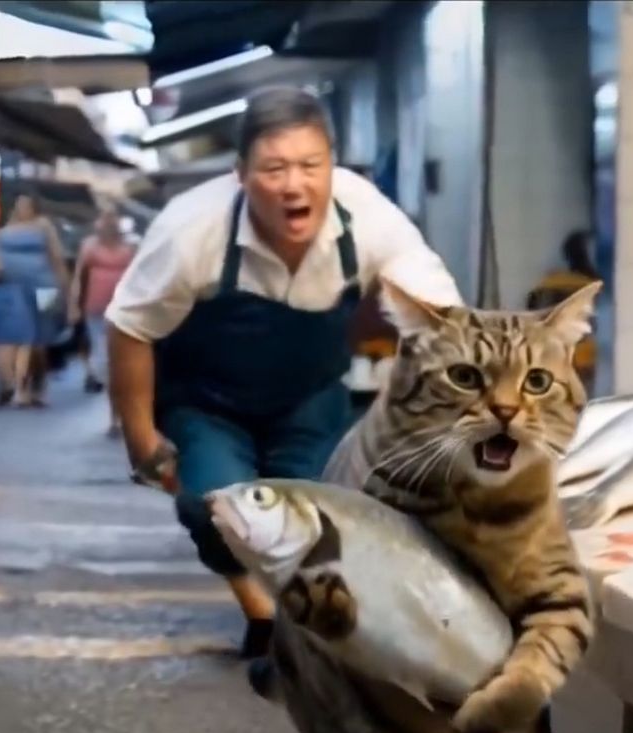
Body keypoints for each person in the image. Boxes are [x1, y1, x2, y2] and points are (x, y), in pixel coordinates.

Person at [106, 86, 462, 659]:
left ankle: (311, 623)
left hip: (309, 394)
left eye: (309, 166)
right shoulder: (190, 230)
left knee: (322, 515)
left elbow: (442, 318)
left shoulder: (367, 216)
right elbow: (130, 327)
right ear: (241, 173)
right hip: (206, 398)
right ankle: (261, 611)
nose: (294, 184)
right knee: (212, 505)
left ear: (332, 166)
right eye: (274, 168)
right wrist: (140, 439)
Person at [0, 191, 69, 407]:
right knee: (15, 337)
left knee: (40, 340)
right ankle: (16, 386)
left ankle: (38, 382)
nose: (23, 208)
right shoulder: (5, 229)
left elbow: (56, 257)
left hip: (44, 285)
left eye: (27, 204)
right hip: (13, 288)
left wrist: (64, 288)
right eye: (20, 204)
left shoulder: (44, 225)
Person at [68, 207, 135, 435]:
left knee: (123, 362)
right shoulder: (89, 246)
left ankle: (123, 415)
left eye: (112, 220)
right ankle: (114, 415)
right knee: (104, 362)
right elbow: (79, 276)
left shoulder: (131, 246)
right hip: (95, 309)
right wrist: (73, 305)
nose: (108, 224)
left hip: (125, 309)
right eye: (104, 220)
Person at [526, 228, 601, 386]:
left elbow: (531, 307)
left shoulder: (548, 283)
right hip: (582, 356)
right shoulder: (590, 287)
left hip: (549, 353)